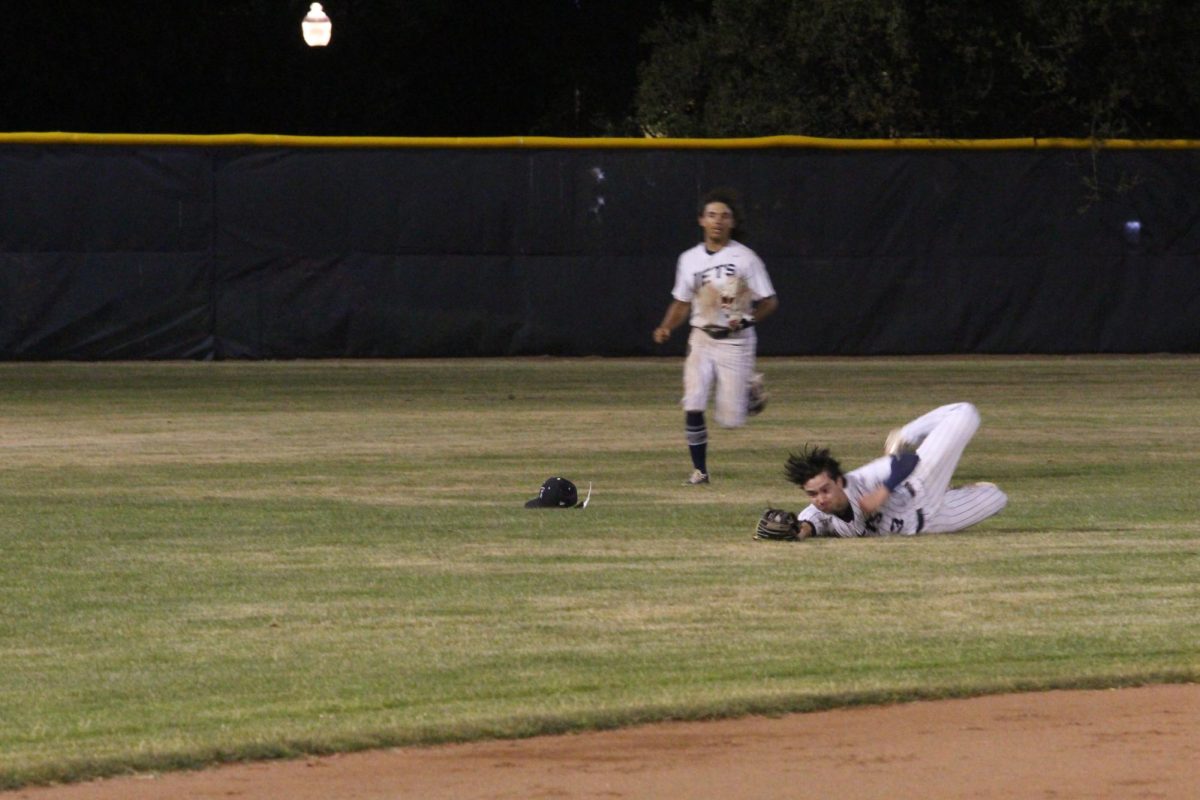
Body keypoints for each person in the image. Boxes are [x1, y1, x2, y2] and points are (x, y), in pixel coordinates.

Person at [652, 189, 778, 485]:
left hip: (736, 342)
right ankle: (700, 471)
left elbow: (770, 301)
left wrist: (748, 320)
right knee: (693, 401)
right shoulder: (689, 259)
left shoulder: (746, 258)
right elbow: (682, 301)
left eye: (724, 216)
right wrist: (666, 326)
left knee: (730, 420)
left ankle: (749, 390)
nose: (717, 221)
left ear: (733, 223)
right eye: (711, 215)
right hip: (701, 338)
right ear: (701, 221)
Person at [783, 402, 1007, 537]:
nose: (820, 499)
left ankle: (905, 434)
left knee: (965, 412)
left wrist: (882, 491)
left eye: (825, 489)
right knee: (998, 498)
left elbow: (907, 461)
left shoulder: (860, 481)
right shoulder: (819, 513)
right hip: (932, 522)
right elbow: (807, 526)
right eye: (812, 494)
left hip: (921, 485)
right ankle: (952, 492)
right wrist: (797, 533)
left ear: (839, 482)